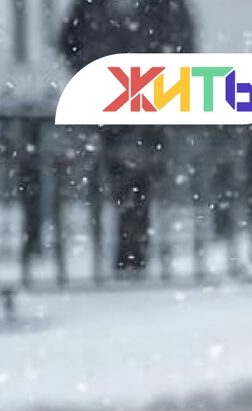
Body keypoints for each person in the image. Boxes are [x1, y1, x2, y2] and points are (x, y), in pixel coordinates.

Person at [58, 0, 196, 273]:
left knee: (131, 177)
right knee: (129, 177)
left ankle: (131, 248)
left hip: (138, 100)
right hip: (128, 100)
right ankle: (132, 247)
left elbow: (70, 43)